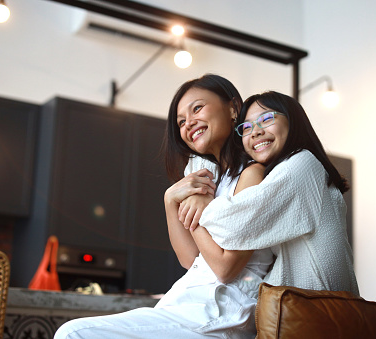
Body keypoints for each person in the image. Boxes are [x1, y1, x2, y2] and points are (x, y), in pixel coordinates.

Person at [54, 74, 274, 339]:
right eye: (181, 121)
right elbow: (190, 260)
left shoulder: (252, 174)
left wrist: (200, 211)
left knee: (74, 333)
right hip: (185, 309)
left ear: (233, 108)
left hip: (220, 317)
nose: (189, 123)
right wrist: (170, 201)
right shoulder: (211, 180)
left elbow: (226, 270)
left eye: (197, 108)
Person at [185, 91, 359, 294]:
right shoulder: (293, 169)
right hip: (306, 307)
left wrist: (197, 200)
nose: (255, 132)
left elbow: (234, 226)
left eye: (266, 118)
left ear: (292, 121)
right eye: (247, 127)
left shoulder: (300, 165)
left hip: (318, 312)